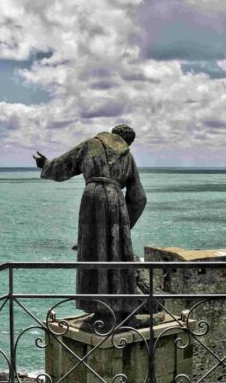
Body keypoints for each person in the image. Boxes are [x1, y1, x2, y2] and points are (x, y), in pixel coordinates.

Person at [33, 124, 147, 332]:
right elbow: (138, 198)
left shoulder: (92, 145)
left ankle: (100, 310)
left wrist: (45, 165)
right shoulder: (128, 158)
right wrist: (123, 229)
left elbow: (64, 166)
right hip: (117, 204)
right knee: (116, 256)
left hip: (92, 199)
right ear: (127, 141)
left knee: (92, 252)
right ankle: (120, 309)